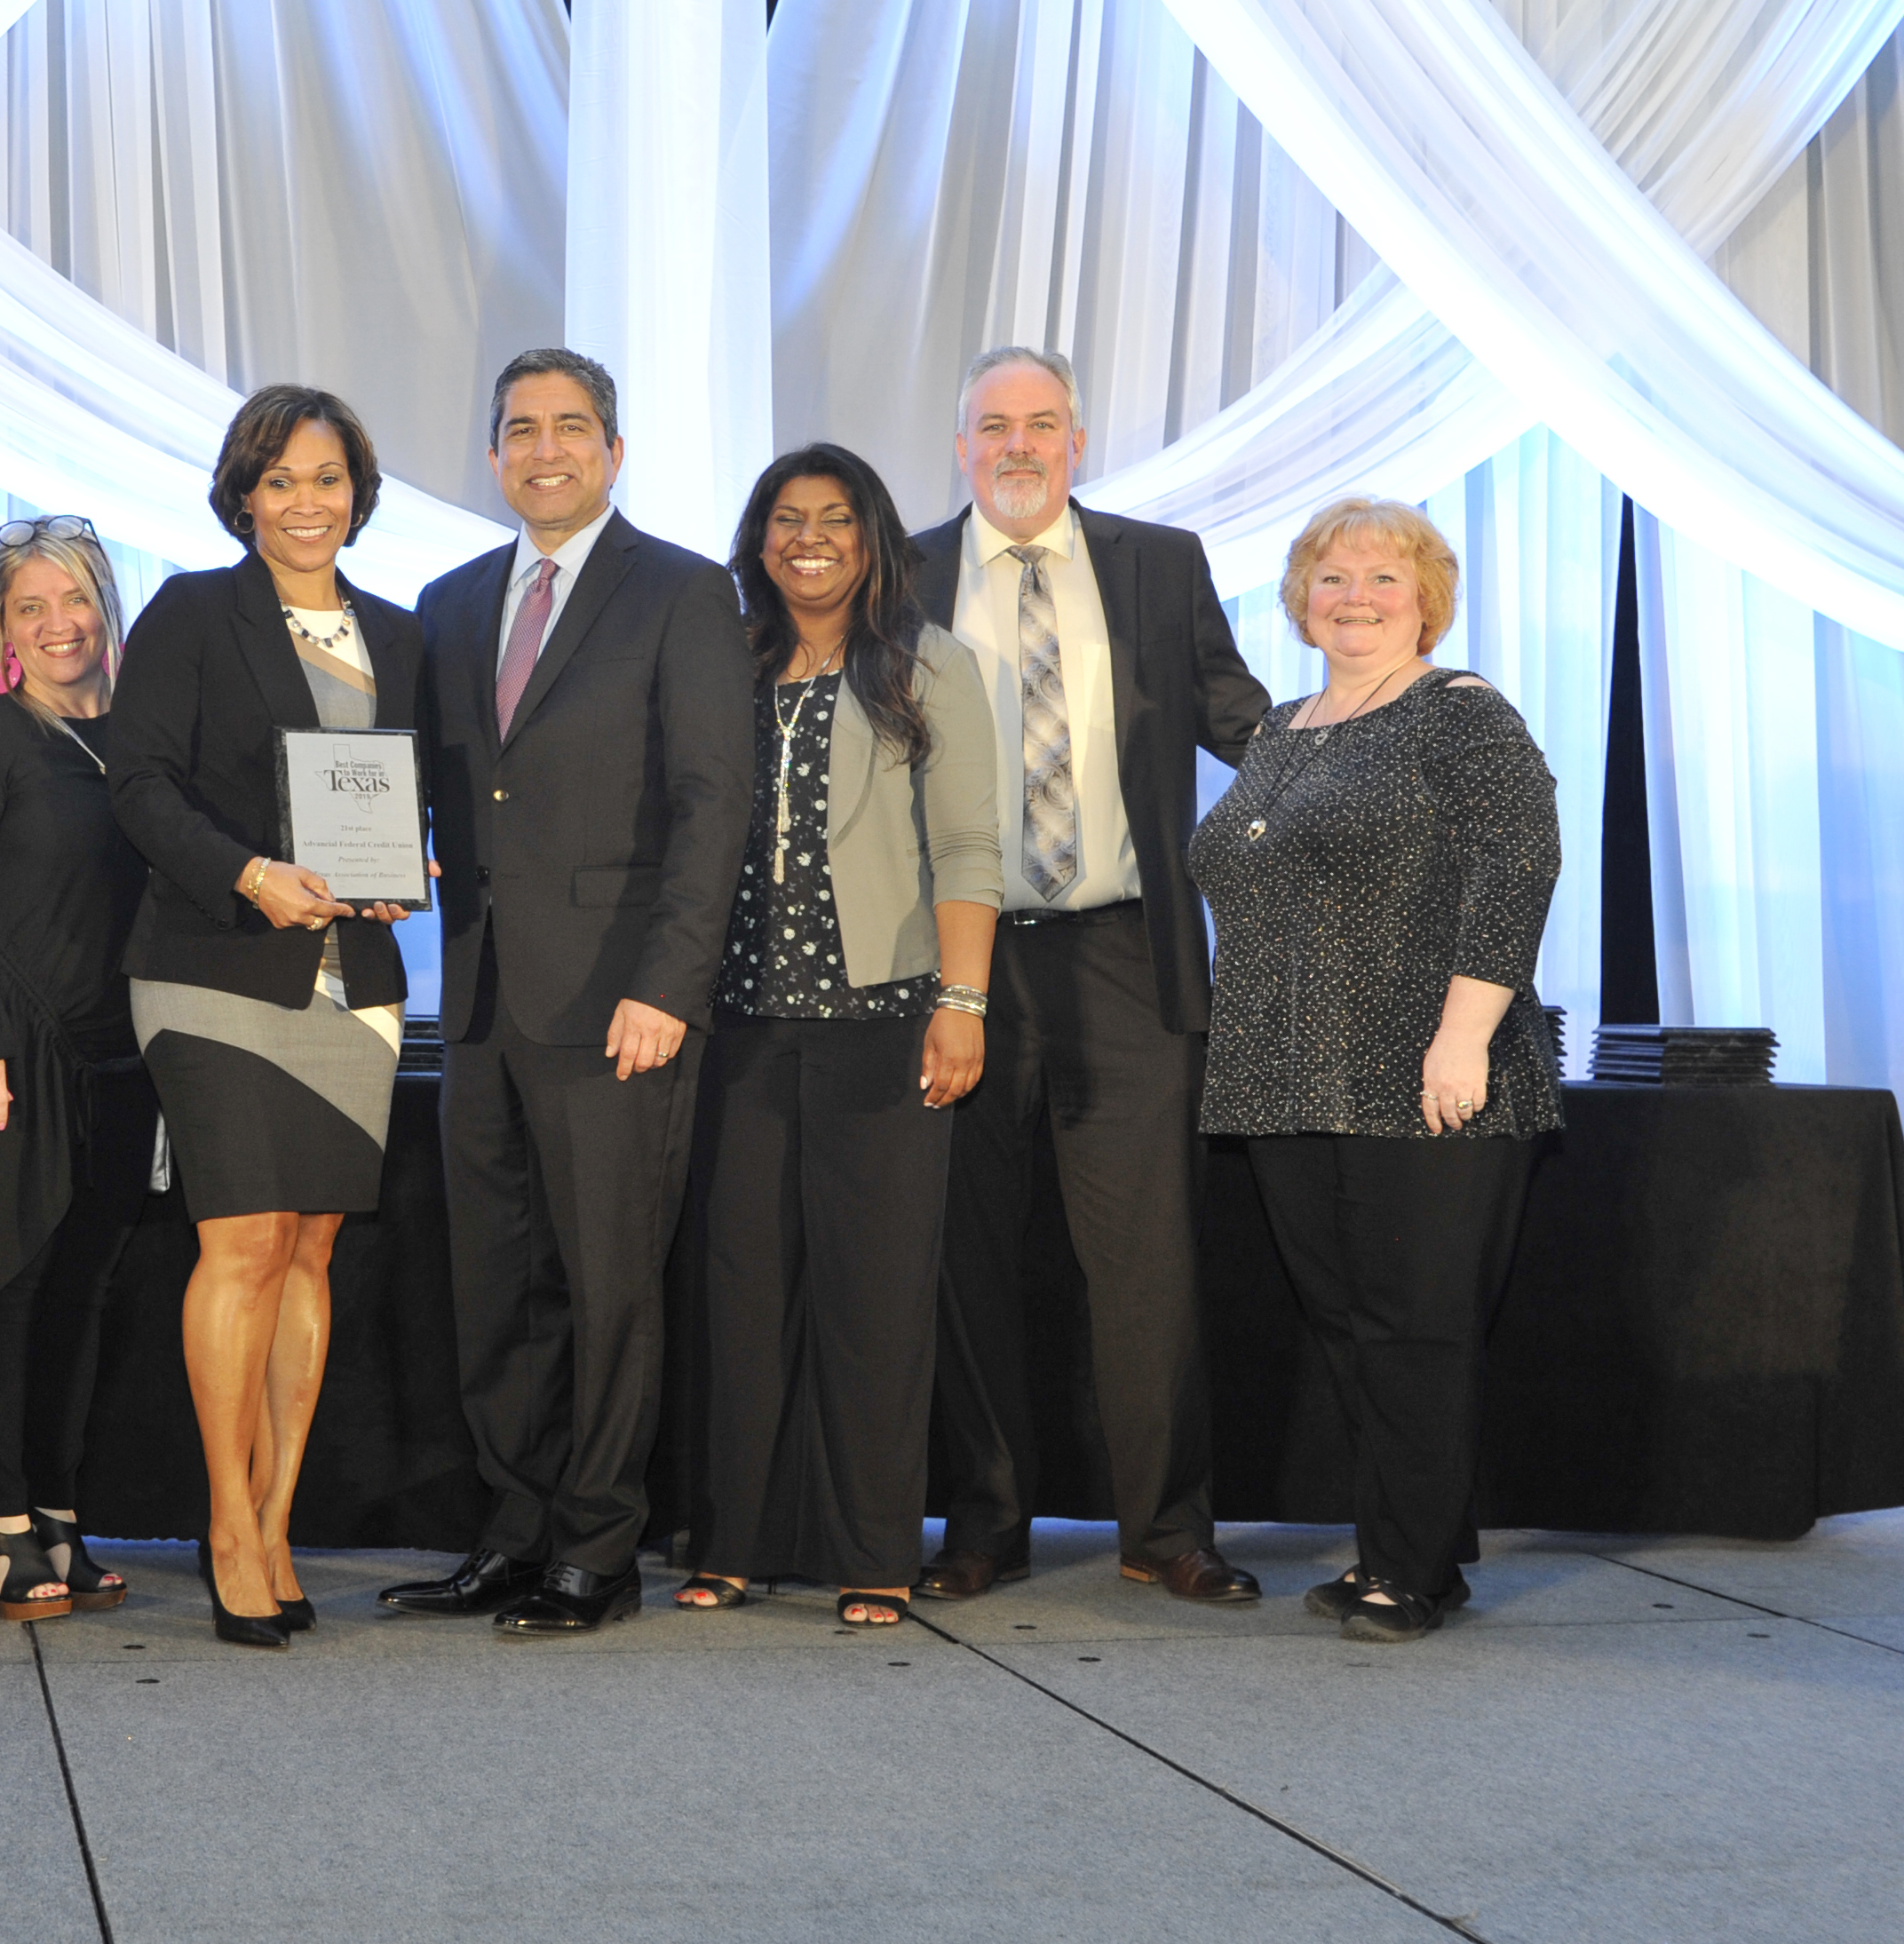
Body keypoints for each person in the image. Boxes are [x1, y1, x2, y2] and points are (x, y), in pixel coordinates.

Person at [384, 347, 754, 1638]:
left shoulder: (684, 591)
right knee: (498, 1288)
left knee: (608, 1289)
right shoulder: (447, 598)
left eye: (571, 427)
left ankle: (597, 1547)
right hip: (478, 1000)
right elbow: (431, 786)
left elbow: (716, 809)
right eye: (520, 428)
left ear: (612, 448)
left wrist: (668, 985)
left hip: (618, 1006)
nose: (545, 448)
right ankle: (514, 1528)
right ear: (492, 453)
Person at [908, 345, 1273, 1607]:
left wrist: (1380, 729)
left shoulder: (1158, 563)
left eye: (1041, 424)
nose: (1017, 445)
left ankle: (1165, 1526)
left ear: (1078, 440)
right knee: (965, 1253)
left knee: (1150, 1261)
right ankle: (983, 1521)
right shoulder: (899, 572)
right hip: (950, 963)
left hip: (1127, 954)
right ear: (958, 444)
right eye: (991, 423)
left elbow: (1244, 719)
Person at [1194, 497, 1560, 1642]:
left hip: (1425, 1070)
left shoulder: (1461, 712)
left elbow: (1521, 862)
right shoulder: (1282, 727)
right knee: (1350, 1324)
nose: (1355, 597)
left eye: (1382, 580)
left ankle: (1411, 1567)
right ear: (1301, 600)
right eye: (1333, 578)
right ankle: (1406, 1547)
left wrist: (1462, 1036)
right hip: (1285, 1076)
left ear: (1426, 602)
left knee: (1417, 1324)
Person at [109, 385, 424, 1649]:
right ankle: (226, 1524)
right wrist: (247, 872)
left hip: (356, 979)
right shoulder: (190, 611)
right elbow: (137, 784)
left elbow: (408, 792)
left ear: (359, 491)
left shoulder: (398, 634)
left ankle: (278, 1513)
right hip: (210, 966)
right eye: (280, 479)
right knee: (240, 1239)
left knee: (310, 1249)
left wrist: (416, 857)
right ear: (242, 492)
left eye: (328, 478)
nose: (307, 502)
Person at [671, 445, 1001, 1629]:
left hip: (887, 1023)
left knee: (874, 1300)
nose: (806, 536)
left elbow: (969, 848)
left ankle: (874, 1550)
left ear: (871, 540)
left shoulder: (932, 663)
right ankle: (735, 1541)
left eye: (834, 519)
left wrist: (961, 1005)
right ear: (757, 539)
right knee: (740, 1294)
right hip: (741, 1033)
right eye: (784, 518)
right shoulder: (725, 662)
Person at [0, 517, 155, 1623]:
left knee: (80, 1300)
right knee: (4, 1292)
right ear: (2, 627)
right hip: (5, 1051)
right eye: (30, 607)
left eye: (77, 599)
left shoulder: (140, 741)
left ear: (107, 607)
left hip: (119, 1059)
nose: (60, 623)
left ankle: (58, 1514)